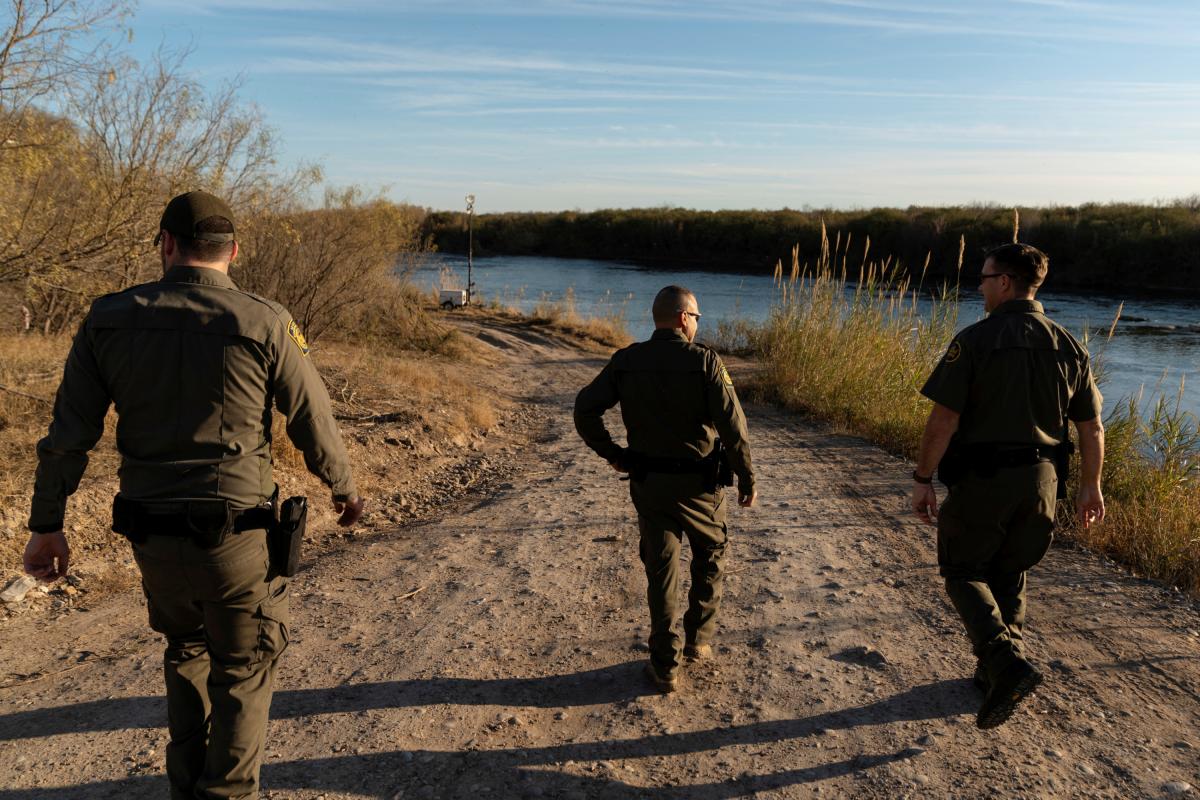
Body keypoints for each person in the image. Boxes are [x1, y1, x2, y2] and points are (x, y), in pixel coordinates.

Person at [22, 190, 365, 799]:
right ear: (233, 251)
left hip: (150, 536)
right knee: (244, 666)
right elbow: (311, 415)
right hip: (236, 536)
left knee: (185, 648)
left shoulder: (107, 317)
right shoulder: (265, 319)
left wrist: (47, 522)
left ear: (166, 244)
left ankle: (187, 788)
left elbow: (67, 437)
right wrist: (343, 486)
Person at [911, 242, 1105, 729]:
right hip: (1043, 481)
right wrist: (1090, 487)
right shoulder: (1069, 344)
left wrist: (922, 477)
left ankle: (1003, 661)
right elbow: (1092, 428)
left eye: (983, 277)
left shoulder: (976, 340)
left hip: (984, 477)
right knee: (1011, 567)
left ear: (1004, 282)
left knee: (962, 569)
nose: (978, 285)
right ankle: (994, 675)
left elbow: (944, 417)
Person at [574, 285, 756, 693]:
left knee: (661, 570)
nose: (696, 325)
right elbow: (734, 427)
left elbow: (585, 409)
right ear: (682, 318)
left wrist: (614, 454)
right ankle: (698, 641)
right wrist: (747, 477)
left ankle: (664, 664)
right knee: (711, 555)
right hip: (701, 488)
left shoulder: (626, 361)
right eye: (696, 318)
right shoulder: (705, 362)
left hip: (650, 485)